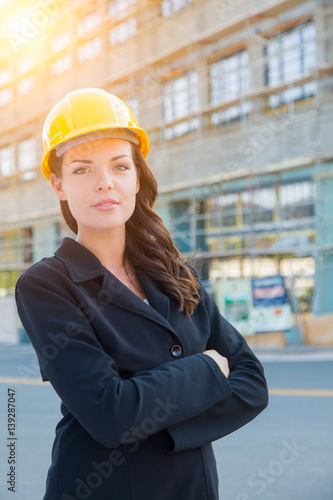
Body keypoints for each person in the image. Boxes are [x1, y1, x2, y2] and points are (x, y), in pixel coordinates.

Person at [15, 88, 268, 500]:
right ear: (57, 183)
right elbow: (111, 415)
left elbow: (253, 384)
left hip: (194, 489)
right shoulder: (47, 285)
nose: (105, 184)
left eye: (119, 166)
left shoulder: (175, 274)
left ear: (136, 176)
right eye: (82, 170)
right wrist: (206, 370)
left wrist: (150, 415)